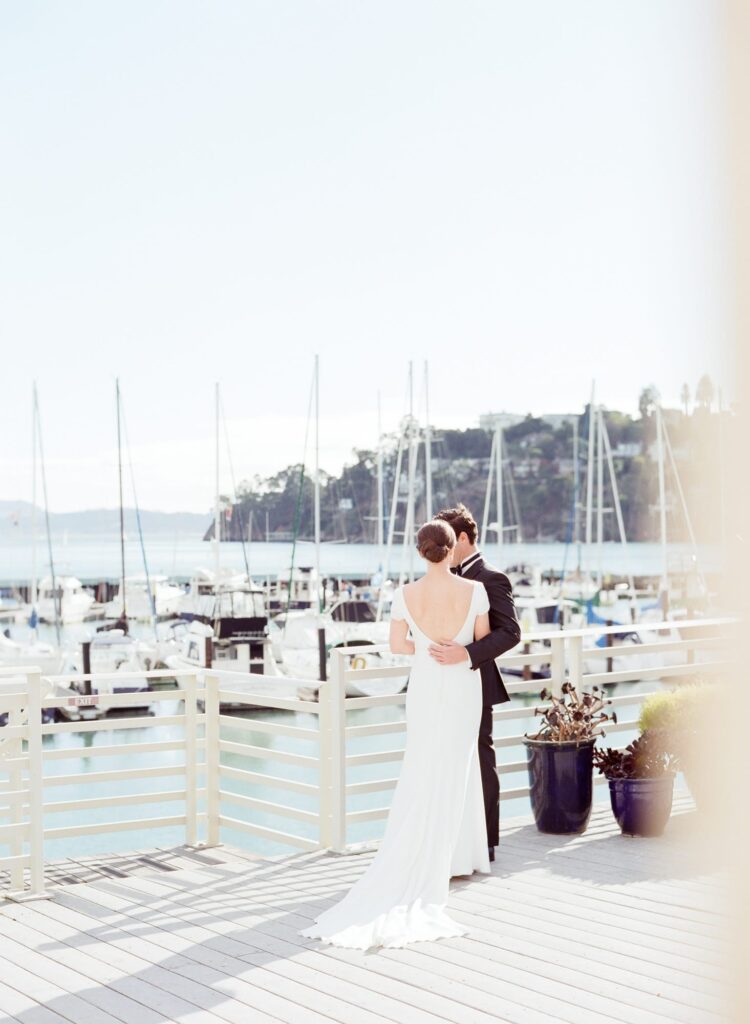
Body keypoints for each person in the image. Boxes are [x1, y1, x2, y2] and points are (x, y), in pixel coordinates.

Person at [300, 519, 491, 949]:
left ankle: (422, 857)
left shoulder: (404, 594)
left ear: (421, 552)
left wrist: (425, 646)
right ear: (450, 550)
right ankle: (447, 860)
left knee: (421, 766)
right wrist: (454, 648)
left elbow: (398, 646)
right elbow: (480, 640)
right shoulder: (473, 591)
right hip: (461, 681)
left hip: (424, 683)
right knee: (455, 769)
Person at [431, 504, 521, 861]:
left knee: (481, 760)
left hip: (477, 680)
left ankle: (486, 841)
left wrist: (467, 654)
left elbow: (511, 632)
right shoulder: (445, 578)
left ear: (464, 539)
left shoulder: (491, 577)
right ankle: (455, 836)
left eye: (449, 542)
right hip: (443, 684)